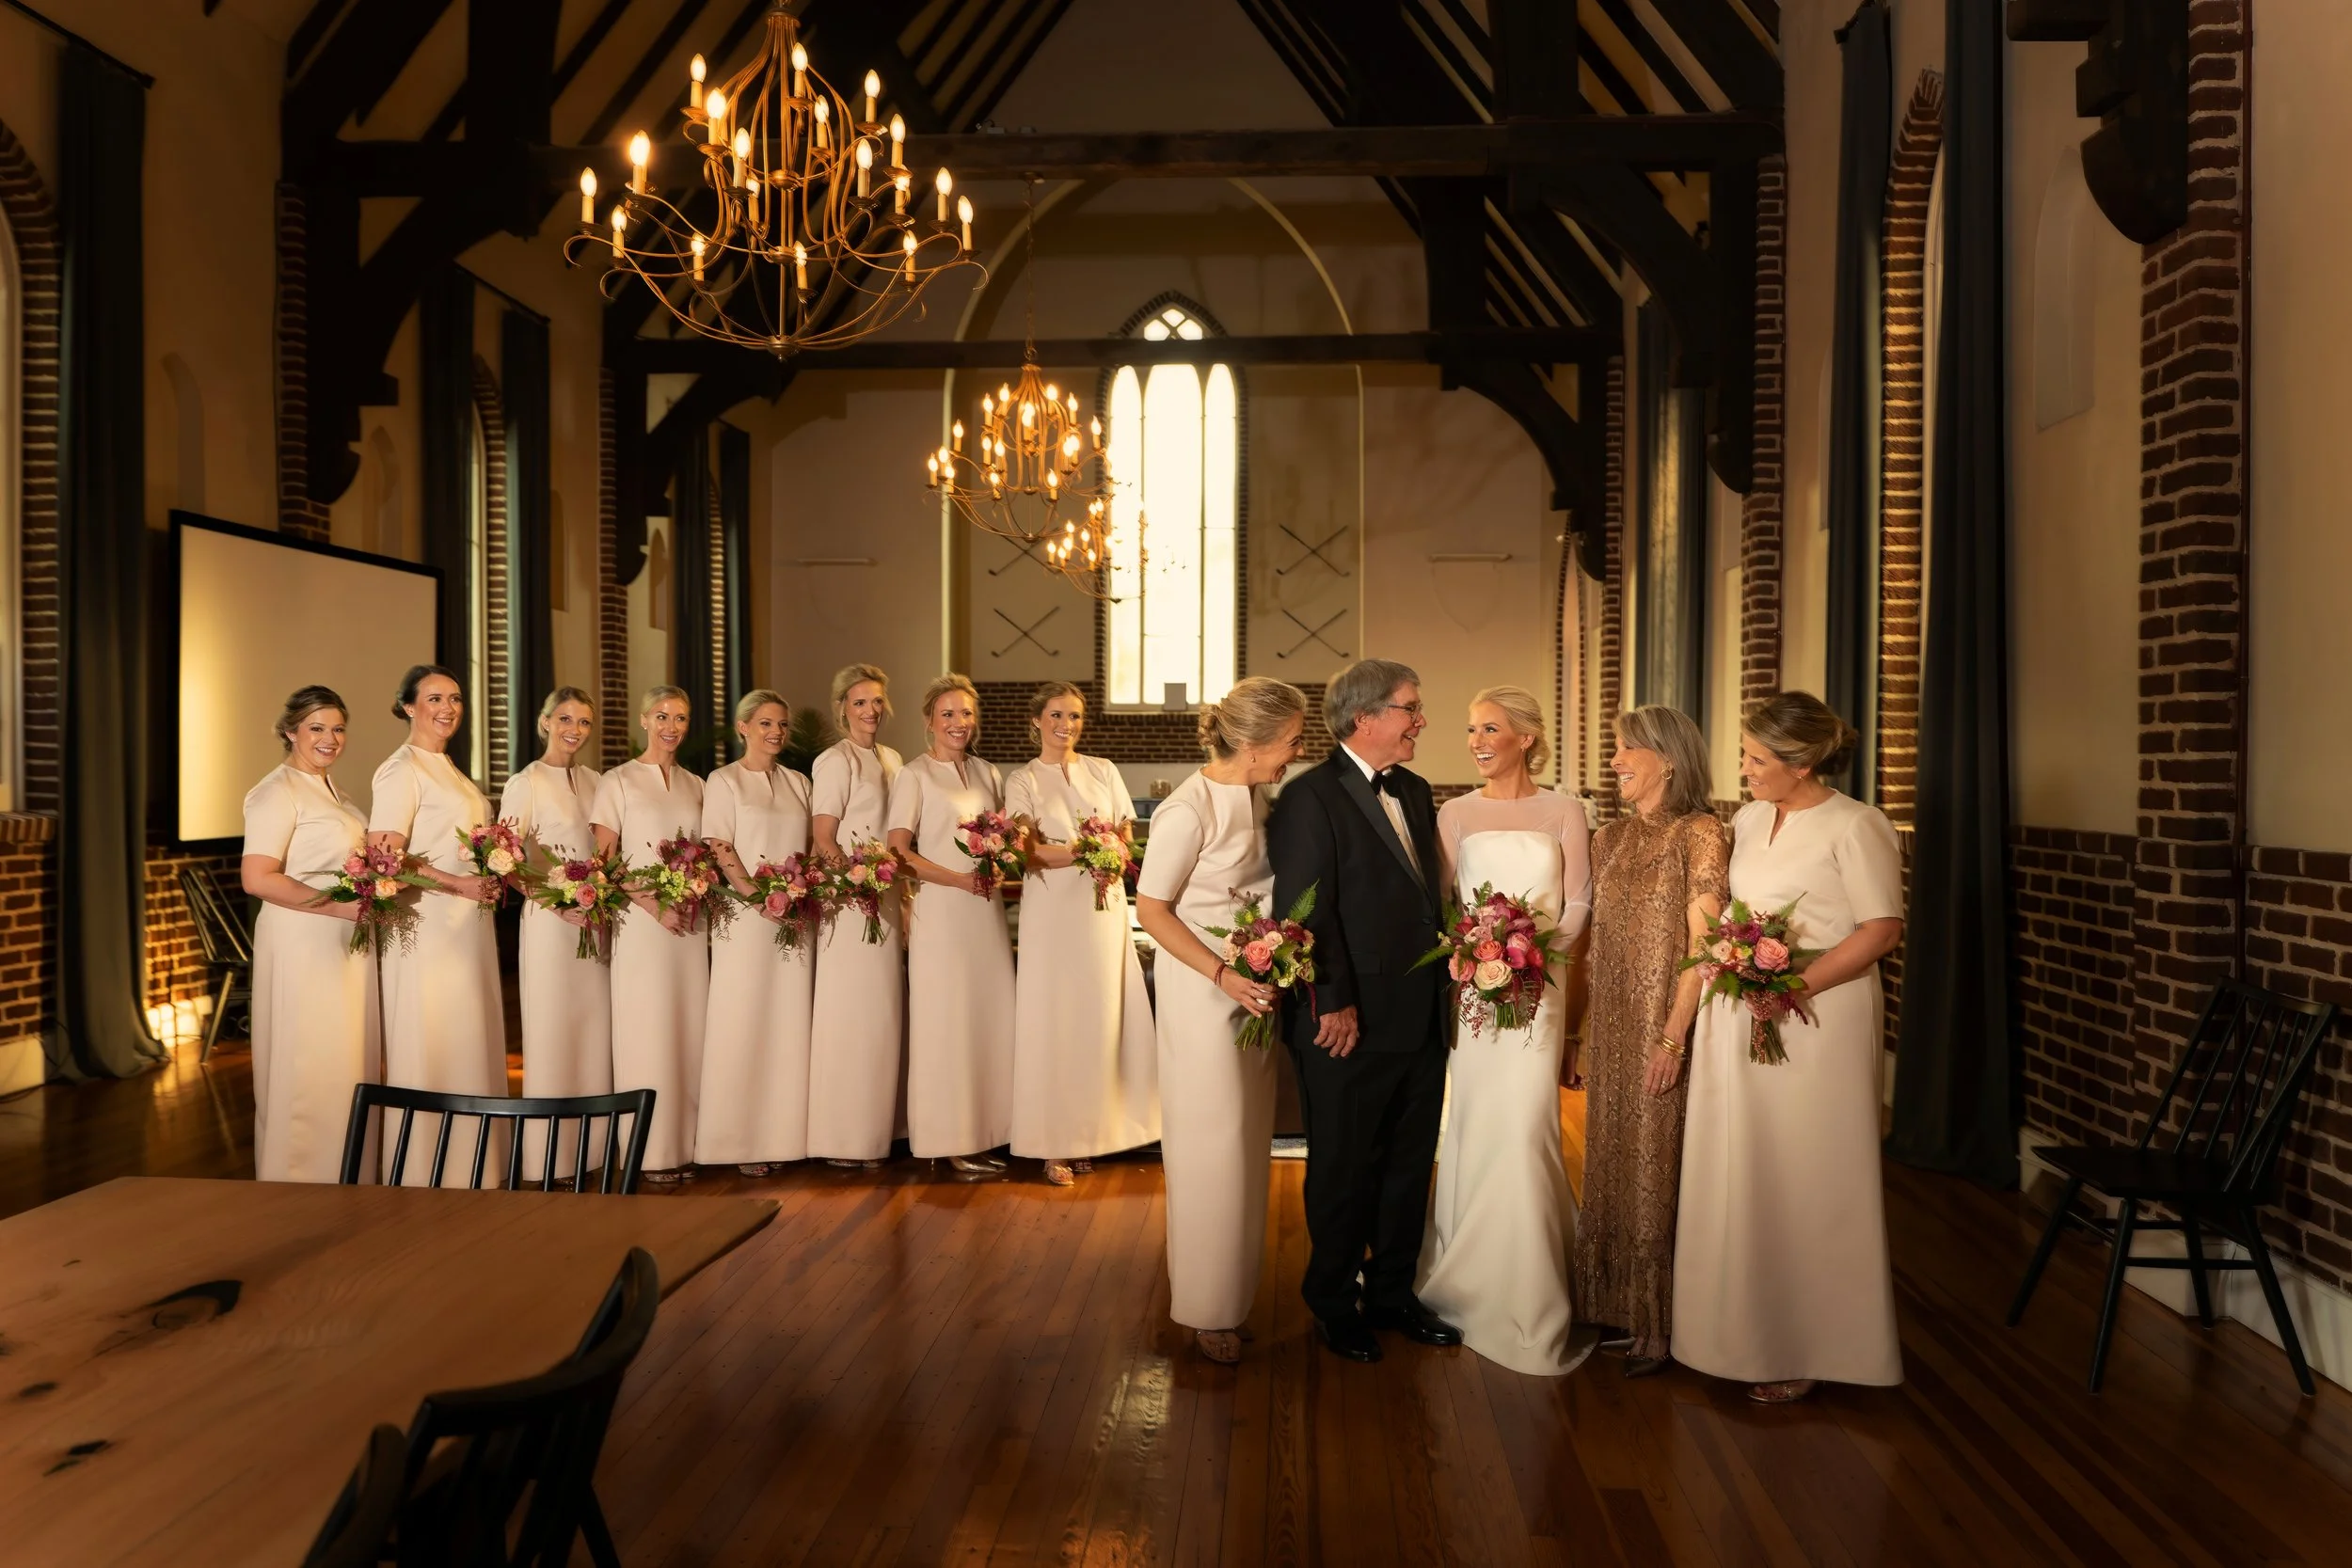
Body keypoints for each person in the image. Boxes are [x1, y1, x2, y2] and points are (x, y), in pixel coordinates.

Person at [1673, 691, 1907, 1403]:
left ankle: (1811, 1342)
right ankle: (1728, 1330)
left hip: (1818, 1019)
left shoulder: (1858, 824)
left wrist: (1795, 983)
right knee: (1744, 1166)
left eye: (1757, 759)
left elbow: (1880, 929)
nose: (1744, 769)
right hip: (1739, 1011)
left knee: (1808, 1172)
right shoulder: (1747, 819)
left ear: (1803, 763)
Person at [1266, 657, 1458, 1363]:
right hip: (1345, 1021)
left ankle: (1391, 1293)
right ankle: (1332, 1303)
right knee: (1343, 1167)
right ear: (1364, 717)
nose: (1421, 720)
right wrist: (1333, 1001)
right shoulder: (1307, 797)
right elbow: (1303, 909)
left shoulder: (1413, 788)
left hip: (1419, 1014)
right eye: (1411, 707)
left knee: (1409, 1163)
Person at [1414, 685, 1593, 1376]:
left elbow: (1578, 899)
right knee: (1478, 1122)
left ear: (1525, 735)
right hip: (1478, 991)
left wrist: (1537, 951)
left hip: (1540, 990)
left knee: (1527, 1127)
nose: (1477, 740)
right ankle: (1464, 1272)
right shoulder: (1453, 814)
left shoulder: (1565, 810)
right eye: (1470, 729)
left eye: (1490, 727)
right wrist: (1479, 952)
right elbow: (1443, 904)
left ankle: (1532, 1285)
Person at [1135, 677, 1308, 1364]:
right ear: (1254, 741)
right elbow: (1152, 910)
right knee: (1209, 1148)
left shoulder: (1261, 796)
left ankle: (1231, 1297)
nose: (1296, 751)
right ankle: (1205, 1309)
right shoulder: (1187, 809)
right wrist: (1223, 973)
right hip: (1206, 994)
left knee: (1243, 1145)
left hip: (1252, 992)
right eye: (1291, 739)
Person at [1574, 705, 1727, 1377]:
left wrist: (1672, 1037)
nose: (1615, 761)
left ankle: (1659, 1323)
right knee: (1608, 1155)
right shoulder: (1606, 838)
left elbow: (1707, 946)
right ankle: (1610, 1305)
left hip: (1661, 1024)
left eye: (1627, 748)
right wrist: (1581, 1034)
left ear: (1668, 758)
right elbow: (1590, 949)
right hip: (1607, 1023)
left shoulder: (1700, 833)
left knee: (1654, 1163)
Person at [1006, 681, 1159, 1186]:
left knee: (1101, 1016)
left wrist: (1109, 850)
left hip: (1102, 907)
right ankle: (1055, 1145)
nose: (1064, 725)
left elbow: (1126, 833)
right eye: (1055, 715)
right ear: (1037, 721)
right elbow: (1028, 852)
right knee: (1057, 1019)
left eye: (1073, 716)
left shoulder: (1104, 769)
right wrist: (1088, 850)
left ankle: (1094, 1134)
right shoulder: (1022, 779)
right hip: (1052, 912)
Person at [368, 666, 508, 1183]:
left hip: (467, 925)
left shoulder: (447, 766)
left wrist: (494, 868)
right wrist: (459, 884)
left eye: (454, 698)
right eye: (433, 698)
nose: (447, 707)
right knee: (432, 1038)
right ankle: (428, 1167)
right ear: (408, 706)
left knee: (468, 1035)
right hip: (426, 926)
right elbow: (386, 858)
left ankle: (476, 1164)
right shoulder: (401, 768)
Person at [240, 687, 379, 1182]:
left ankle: (348, 1171)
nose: (330, 738)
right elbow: (258, 879)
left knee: (342, 1057)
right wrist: (339, 906)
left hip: (343, 940)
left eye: (338, 728)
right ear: (289, 731)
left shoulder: (333, 789)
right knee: (309, 1056)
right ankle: (300, 1175)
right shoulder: (275, 791)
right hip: (304, 941)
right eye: (317, 728)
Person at [886, 674, 1015, 1176]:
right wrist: (958, 881)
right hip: (942, 911)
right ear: (929, 722)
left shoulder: (988, 772)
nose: (958, 723)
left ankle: (991, 1130)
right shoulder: (914, 775)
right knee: (948, 1022)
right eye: (948, 714)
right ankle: (950, 1138)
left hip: (985, 914)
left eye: (965, 713)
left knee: (989, 1016)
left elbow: (1001, 836)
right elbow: (897, 853)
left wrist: (997, 864)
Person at [591, 685, 708, 1181]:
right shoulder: (617, 781)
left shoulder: (697, 784)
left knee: (690, 1029)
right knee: (648, 1031)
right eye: (662, 716)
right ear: (644, 720)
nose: (671, 726)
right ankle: (650, 1151)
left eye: (680, 718)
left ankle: (691, 1145)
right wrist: (651, 903)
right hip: (641, 924)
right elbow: (603, 862)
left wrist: (692, 894)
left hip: (690, 923)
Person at [697, 689, 816, 1175]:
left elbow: (808, 846)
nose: (776, 732)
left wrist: (797, 892)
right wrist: (756, 898)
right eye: (765, 723)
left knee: (788, 1023)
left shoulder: (798, 782)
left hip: (794, 916)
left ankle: (786, 1136)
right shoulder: (723, 780)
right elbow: (720, 846)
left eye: (782, 725)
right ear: (743, 727)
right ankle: (739, 1140)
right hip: (746, 921)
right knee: (743, 1020)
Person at [499, 687, 609, 1180]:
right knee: (553, 1031)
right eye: (565, 718)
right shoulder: (526, 783)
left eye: (584, 722)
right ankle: (551, 1157)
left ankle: (597, 1149)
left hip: (596, 919)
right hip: (550, 923)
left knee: (593, 1030)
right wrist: (555, 901)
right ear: (545, 722)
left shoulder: (597, 780)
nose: (574, 729)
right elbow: (504, 860)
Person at [807, 662, 905, 1168]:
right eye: (860, 702)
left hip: (884, 895)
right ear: (843, 707)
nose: (871, 710)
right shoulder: (833, 761)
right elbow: (824, 839)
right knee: (850, 1014)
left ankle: (878, 1132)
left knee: (883, 1014)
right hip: (850, 903)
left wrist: (896, 894)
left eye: (877, 701)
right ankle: (842, 1135)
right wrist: (856, 881)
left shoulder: (892, 758)